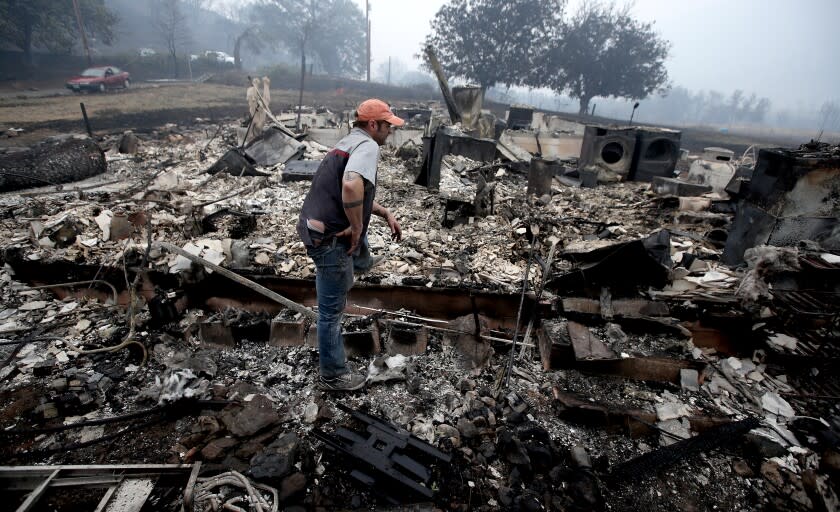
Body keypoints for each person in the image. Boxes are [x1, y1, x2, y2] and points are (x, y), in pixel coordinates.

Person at [297, 99, 404, 391]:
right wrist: (356, 228)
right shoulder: (369, 146)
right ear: (373, 125)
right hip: (328, 238)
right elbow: (350, 184)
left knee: (356, 242)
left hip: (316, 226)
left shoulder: (349, 141)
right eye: (387, 126)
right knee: (331, 311)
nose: (390, 132)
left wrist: (382, 212)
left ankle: (358, 263)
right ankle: (333, 375)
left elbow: (355, 191)